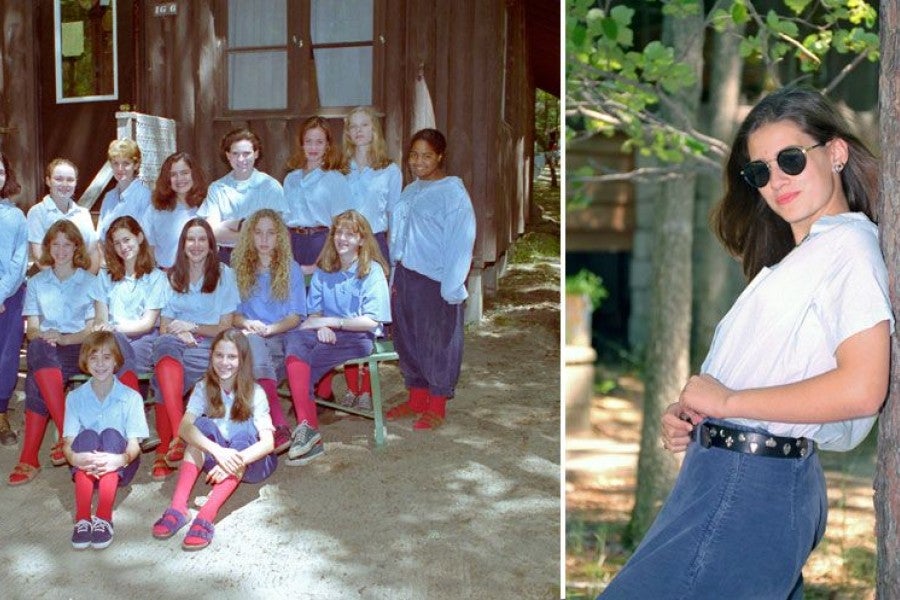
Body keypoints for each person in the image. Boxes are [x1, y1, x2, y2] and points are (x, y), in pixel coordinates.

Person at [600, 87, 893, 599]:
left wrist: (730, 403)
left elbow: (863, 387)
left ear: (837, 153)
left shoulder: (849, 247)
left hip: (750, 481)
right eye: (759, 172)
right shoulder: (800, 258)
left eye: (791, 160)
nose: (776, 181)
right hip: (729, 476)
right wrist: (700, 416)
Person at [151, 329, 275, 551]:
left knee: (241, 433)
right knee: (199, 428)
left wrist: (232, 460)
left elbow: (268, 444)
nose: (224, 362)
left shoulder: (255, 392)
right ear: (211, 357)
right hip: (221, 455)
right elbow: (184, 427)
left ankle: (206, 516)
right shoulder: (203, 387)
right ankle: (178, 507)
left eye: (232, 357)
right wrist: (219, 453)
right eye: (219, 355)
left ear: (243, 360)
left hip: (253, 461)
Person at [283, 210, 390, 465]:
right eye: (338, 233)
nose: (342, 238)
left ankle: (308, 432)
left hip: (358, 336)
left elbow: (373, 321)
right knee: (295, 339)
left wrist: (331, 322)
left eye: (349, 234)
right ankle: (308, 431)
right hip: (328, 334)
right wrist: (321, 325)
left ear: (362, 240)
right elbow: (314, 311)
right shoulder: (325, 269)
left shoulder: (371, 271)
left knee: (305, 363)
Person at [386, 129, 476, 430]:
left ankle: (436, 405)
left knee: (436, 342)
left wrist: (451, 285)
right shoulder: (410, 190)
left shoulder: (453, 194)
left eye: (426, 155)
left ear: (440, 156)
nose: (418, 161)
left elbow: (461, 242)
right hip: (406, 275)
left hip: (434, 279)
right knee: (407, 339)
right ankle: (416, 399)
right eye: (414, 155)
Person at [7, 221, 109, 485]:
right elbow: (32, 330)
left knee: (36, 376)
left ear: (76, 246)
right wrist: (46, 336)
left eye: (67, 244)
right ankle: (68, 433)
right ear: (48, 248)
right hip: (48, 348)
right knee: (39, 350)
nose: (61, 250)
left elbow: (91, 330)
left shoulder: (90, 281)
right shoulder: (38, 282)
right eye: (56, 245)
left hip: (79, 348)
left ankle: (29, 458)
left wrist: (63, 338)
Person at [151, 218, 239, 472]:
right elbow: (165, 325)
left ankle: (167, 444)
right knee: (164, 345)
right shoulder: (172, 276)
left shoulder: (224, 275)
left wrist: (192, 327)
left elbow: (224, 327)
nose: (196, 245)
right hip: (178, 342)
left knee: (162, 375)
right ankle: (182, 433)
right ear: (183, 244)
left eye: (202, 239)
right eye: (191, 239)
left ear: (211, 245)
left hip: (211, 345)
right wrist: (179, 334)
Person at [90, 216, 171, 478]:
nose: (123, 246)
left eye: (127, 239)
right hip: (113, 344)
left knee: (118, 348)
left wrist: (114, 330)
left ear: (139, 237)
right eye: (116, 243)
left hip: (143, 341)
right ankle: (135, 428)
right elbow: (101, 317)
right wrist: (106, 329)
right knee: (110, 349)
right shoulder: (105, 277)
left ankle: (129, 429)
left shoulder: (156, 277)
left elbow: (148, 323)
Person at [63, 331, 149, 550]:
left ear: (116, 360)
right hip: (86, 463)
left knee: (111, 433)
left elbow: (133, 445)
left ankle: (103, 517)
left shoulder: (131, 397)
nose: (100, 364)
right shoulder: (74, 397)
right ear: (86, 361)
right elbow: (68, 442)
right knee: (87, 436)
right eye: (93, 358)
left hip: (121, 463)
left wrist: (119, 459)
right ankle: (83, 518)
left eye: (106, 357)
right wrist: (74, 457)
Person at [231, 208, 307, 454]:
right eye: (258, 233)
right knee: (251, 342)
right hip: (253, 342)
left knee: (254, 349)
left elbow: (296, 315)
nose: (264, 240)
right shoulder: (239, 268)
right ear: (250, 236)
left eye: (271, 233)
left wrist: (272, 328)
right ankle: (279, 423)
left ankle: (265, 424)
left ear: (279, 237)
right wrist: (247, 323)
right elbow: (233, 313)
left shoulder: (290, 268)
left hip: (282, 339)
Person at [198, 128, 287, 263]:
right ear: (228, 155)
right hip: (226, 260)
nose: (241, 159)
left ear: (256, 154)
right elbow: (212, 232)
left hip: (261, 260)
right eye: (235, 153)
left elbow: (274, 231)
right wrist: (242, 226)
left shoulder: (270, 186)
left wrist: (226, 226)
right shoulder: (217, 188)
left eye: (246, 153)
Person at [283, 116, 351, 274]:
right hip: (293, 244)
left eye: (319, 142)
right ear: (302, 143)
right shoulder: (290, 179)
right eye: (308, 141)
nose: (313, 147)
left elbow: (338, 226)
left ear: (327, 145)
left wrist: (318, 264)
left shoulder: (335, 179)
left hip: (322, 243)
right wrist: (288, 257)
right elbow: (284, 222)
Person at [342, 106, 401, 263]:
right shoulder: (340, 169)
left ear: (374, 129)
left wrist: (391, 251)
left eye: (364, 125)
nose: (358, 130)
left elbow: (393, 215)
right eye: (353, 126)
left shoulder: (390, 170)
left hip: (375, 241)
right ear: (348, 133)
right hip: (344, 243)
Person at [26, 158, 99, 273]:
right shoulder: (37, 212)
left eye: (70, 180)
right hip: (50, 284)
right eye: (58, 179)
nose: (65, 184)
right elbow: (39, 256)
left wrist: (85, 281)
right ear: (48, 181)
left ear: (76, 182)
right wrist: (62, 284)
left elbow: (93, 252)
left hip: (82, 284)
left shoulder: (84, 214)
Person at [0, 153, 27, 446]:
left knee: (6, 356)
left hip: (10, 296)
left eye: (1, 172)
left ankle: (1, 413)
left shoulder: (15, 216)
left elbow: (20, 262)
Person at [144, 152, 209, 269]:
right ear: (167, 179)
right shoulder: (155, 209)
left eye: (184, 173)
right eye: (173, 175)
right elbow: (148, 249)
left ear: (194, 174)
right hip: (165, 278)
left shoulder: (208, 206)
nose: (180, 179)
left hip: (201, 279)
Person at [97, 139, 152, 239]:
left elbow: (146, 238)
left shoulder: (145, 197)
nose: (120, 168)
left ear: (136, 165)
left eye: (126, 163)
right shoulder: (108, 197)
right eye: (115, 163)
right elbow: (100, 236)